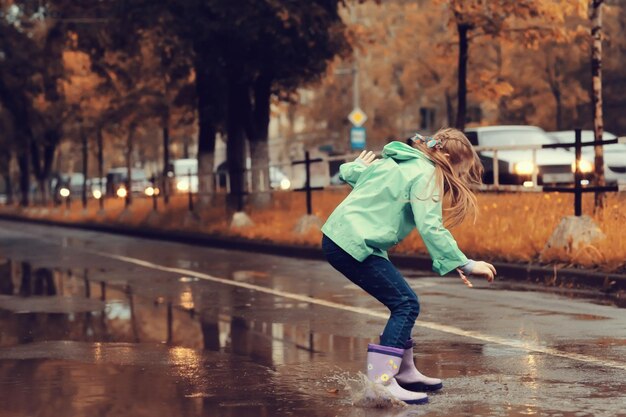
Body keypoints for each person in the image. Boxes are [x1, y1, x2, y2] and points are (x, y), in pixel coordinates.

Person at [321, 128, 497, 405]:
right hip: (352, 242)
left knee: (403, 301)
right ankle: (380, 384)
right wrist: (464, 262)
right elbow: (431, 226)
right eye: (460, 171)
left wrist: (354, 167)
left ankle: (404, 371)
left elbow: (357, 176)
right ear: (447, 157)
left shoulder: (399, 161)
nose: (459, 178)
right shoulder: (426, 175)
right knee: (405, 303)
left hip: (343, 237)